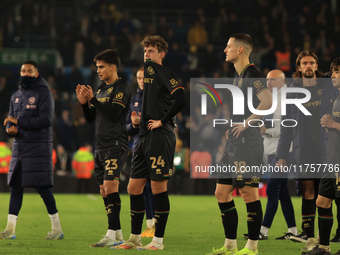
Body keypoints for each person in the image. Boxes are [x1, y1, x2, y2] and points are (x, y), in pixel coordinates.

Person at [114, 35, 185, 250]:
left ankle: (158, 241)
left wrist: (162, 121)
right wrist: (139, 122)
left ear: (162, 54)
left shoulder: (163, 72)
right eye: (145, 50)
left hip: (160, 136)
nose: (147, 54)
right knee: (133, 187)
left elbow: (180, 97)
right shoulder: (148, 79)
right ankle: (135, 238)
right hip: (143, 137)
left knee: (157, 187)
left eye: (152, 51)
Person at [208, 33, 272, 255]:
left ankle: (252, 247)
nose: (225, 50)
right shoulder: (238, 77)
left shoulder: (252, 74)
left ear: (240, 50)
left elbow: (268, 101)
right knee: (221, 192)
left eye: (228, 46)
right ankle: (230, 245)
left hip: (248, 144)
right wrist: (234, 126)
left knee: (248, 193)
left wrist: (246, 123)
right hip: (235, 143)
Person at [276, 51, 335, 251]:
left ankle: (322, 237)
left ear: (317, 66)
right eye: (304, 63)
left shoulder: (328, 87)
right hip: (304, 150)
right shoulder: (291, 92)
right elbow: (286, 125)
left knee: (326, 194)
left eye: (311, 63)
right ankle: (310, 239)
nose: (308, 66)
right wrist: (281, 155)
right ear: (299, 68)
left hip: (326, 149)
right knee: (308, 193)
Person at [0, 60, 63, 240]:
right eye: (23, 71)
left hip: (38, 147)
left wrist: (18, 123)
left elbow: (45, 120)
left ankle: (57, 229)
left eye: (29, 71)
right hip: (20, 147)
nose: (25, 74)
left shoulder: (45, 94)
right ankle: (10, 230)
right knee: (16, 188)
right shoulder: (15, 96)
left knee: (43, 189)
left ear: (36, 74)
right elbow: (11, 121)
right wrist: (10, 130)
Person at [76, 49, 131, 247]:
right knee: (103, 190)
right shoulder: (100, 90)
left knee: (110, 187)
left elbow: (114, 113)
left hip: (115, 144)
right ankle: (117, 235)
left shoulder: (122, 88)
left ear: (113, 67)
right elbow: (92, 117)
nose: (98, 70)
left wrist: (93, 100)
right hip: (100, 145)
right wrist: (85, 104)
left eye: (101, 67)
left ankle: (109, 234)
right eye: (97, 67)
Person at [244, 70, 298, 240]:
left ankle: (263, 231)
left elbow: (287, 128)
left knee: (273, 189)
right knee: (282, 193)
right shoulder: (271, 99)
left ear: (282, 82)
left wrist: (267, 131)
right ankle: (293, 230)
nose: (269, 82)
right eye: (267, 80)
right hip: (271, 149)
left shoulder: (286, 99)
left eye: (273, 80)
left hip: (282, 151)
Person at [302, 57, 340, 255]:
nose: (332, 75)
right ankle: (324, 247)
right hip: (331, 160)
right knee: (321, 202)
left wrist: (334, 125)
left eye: (336, 72)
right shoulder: (336, 97)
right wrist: (329, 127)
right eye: (332, 71)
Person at [126, 67, 156, 237]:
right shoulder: (134, 100)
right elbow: (127, 127)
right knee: (143, 188)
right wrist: (134, 125)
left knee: (154, 187)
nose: (141, 81)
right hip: (138, 146)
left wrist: (142, 123)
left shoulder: (158, 97)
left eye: (144, 78)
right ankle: (149, 225)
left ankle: (156, 225)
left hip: (155, 145)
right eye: (138, 78)